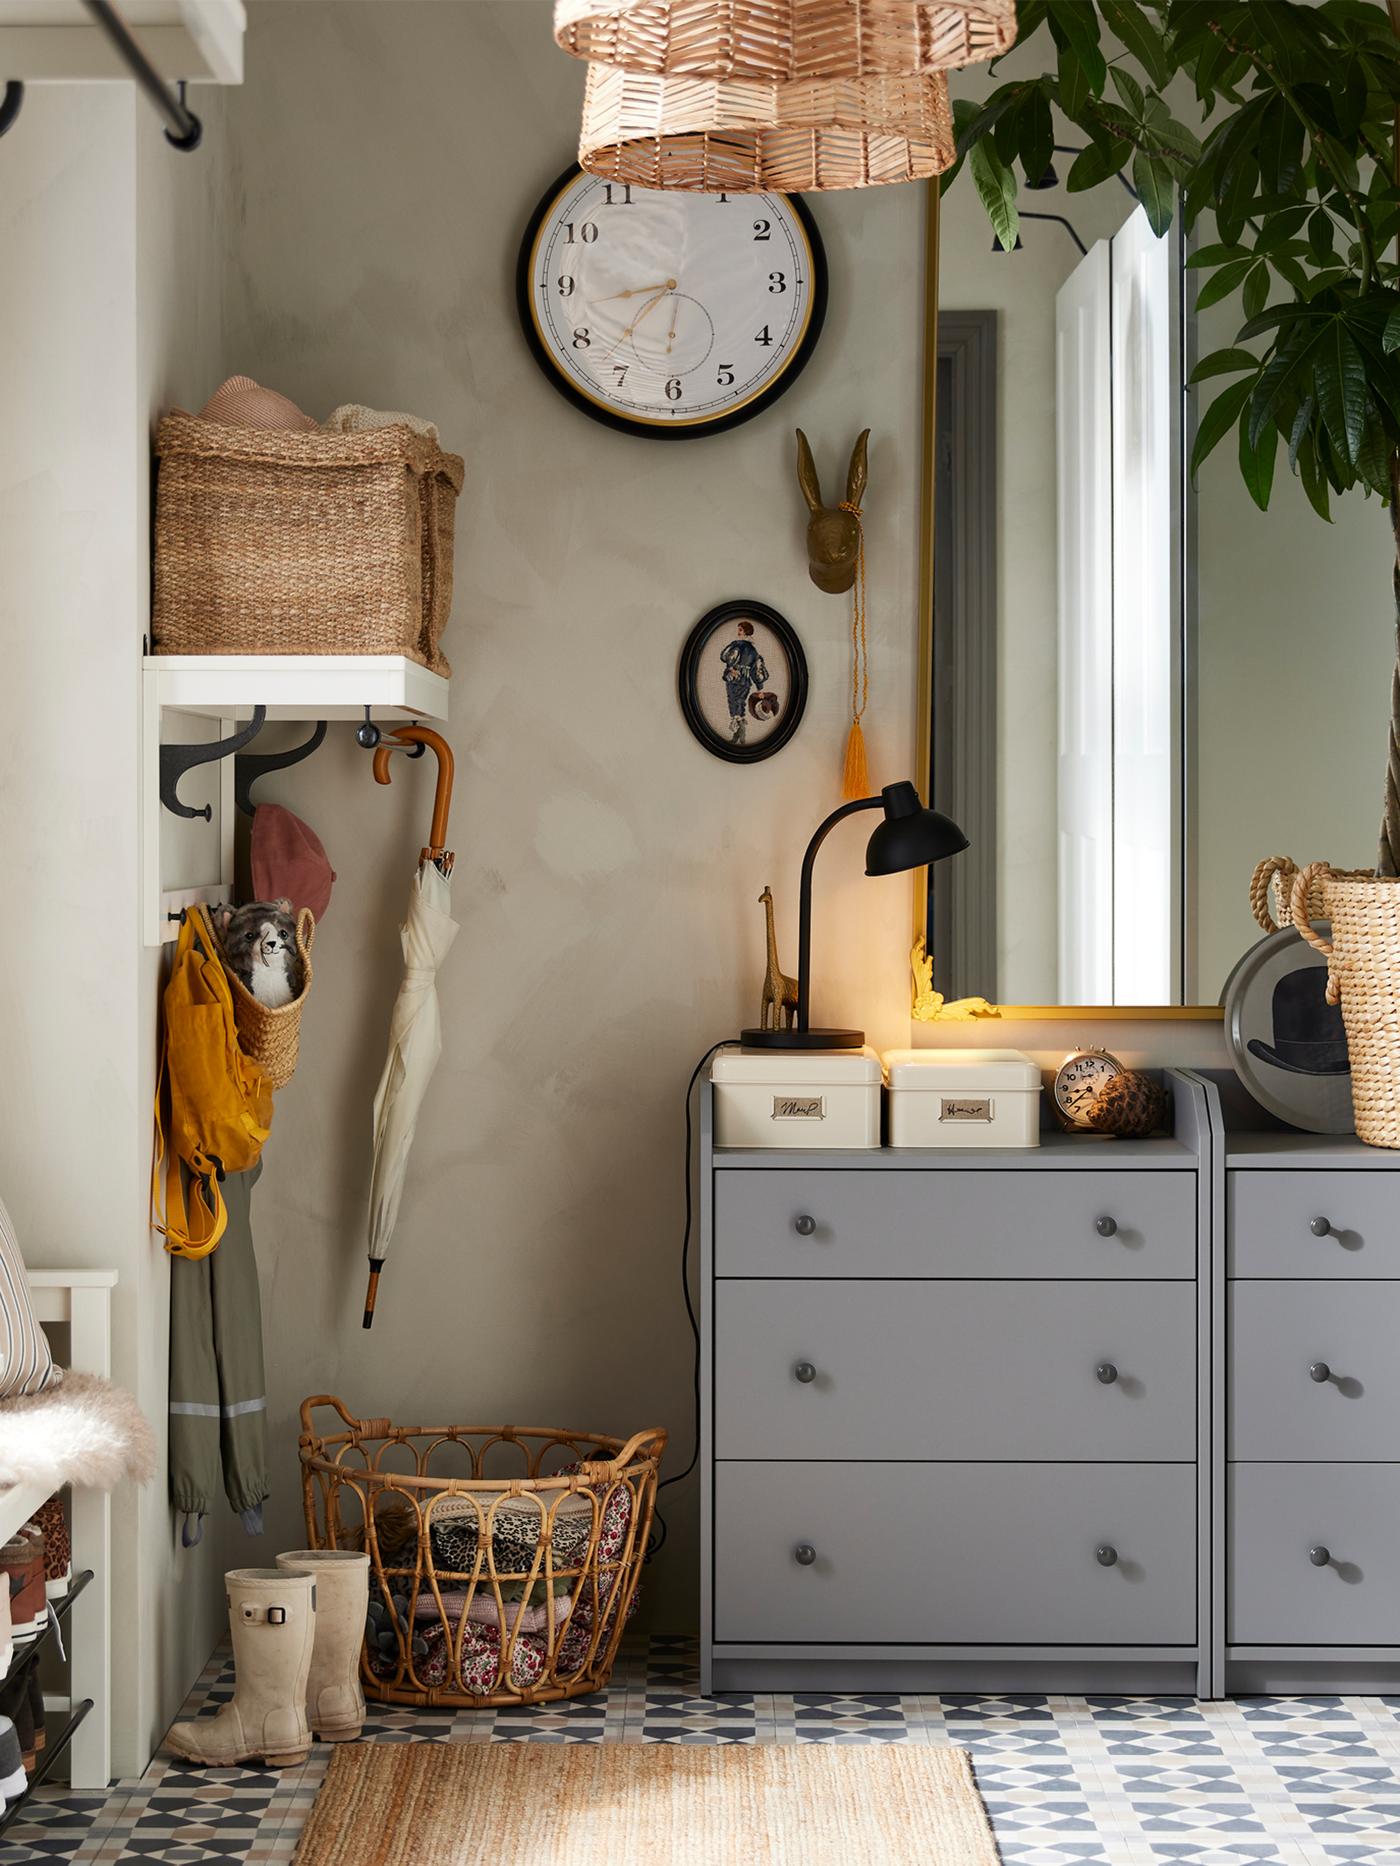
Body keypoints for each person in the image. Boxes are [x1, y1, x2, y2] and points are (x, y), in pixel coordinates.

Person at [719, 620, 769, 745]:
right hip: (745, 682)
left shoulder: (737, 645)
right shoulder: (753, 650)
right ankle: (739, 736)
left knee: (733, 702)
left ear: (745, 631)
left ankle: (740, 735)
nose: (738, 632)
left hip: (734, 679)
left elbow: (724, 656)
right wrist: (759, 688)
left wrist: (731, 668)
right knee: (740, 704)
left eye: (740, 629)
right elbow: (757, 670)